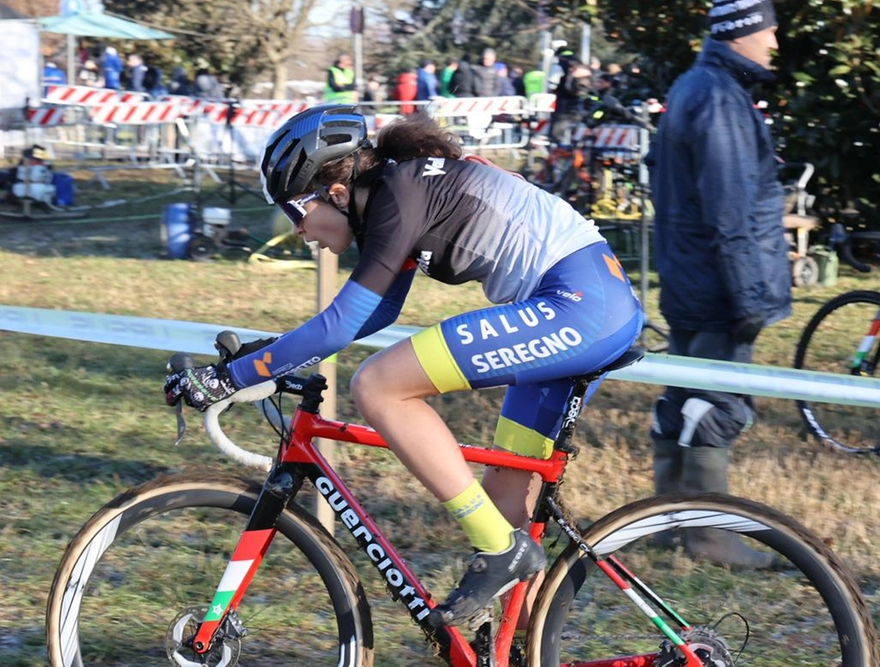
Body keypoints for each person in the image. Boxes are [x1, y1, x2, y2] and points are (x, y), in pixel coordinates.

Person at [163, 106, 643, 627]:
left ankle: (499, 551)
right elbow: (376, 312)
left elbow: (343, 324)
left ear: (337, 194)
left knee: (379, 385)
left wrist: (228, 378)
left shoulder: (400, 192)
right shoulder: (396, 196)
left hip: (579, 305)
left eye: (295, 213)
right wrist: (267, 355)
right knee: (506, 495)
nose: (300, 233)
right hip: (588, 304)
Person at [644, 0, 789, 568]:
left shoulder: (694, 86)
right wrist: (750, 296)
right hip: (717, 282)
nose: (775, 42)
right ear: (741, 33)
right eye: (770, 31)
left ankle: (662, 523)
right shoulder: (719, 98)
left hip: (691, 273)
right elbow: (730, 211)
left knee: (683, 395)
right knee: (715, 403)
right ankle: (708, 537)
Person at [548, 48, 591, 146]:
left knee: (560, 122)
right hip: (579, 98)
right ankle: (575, 144)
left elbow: (553, 82)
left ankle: (557, 145)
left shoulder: (560, 63)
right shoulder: (579, 62)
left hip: (563, 98)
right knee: (576, 121)